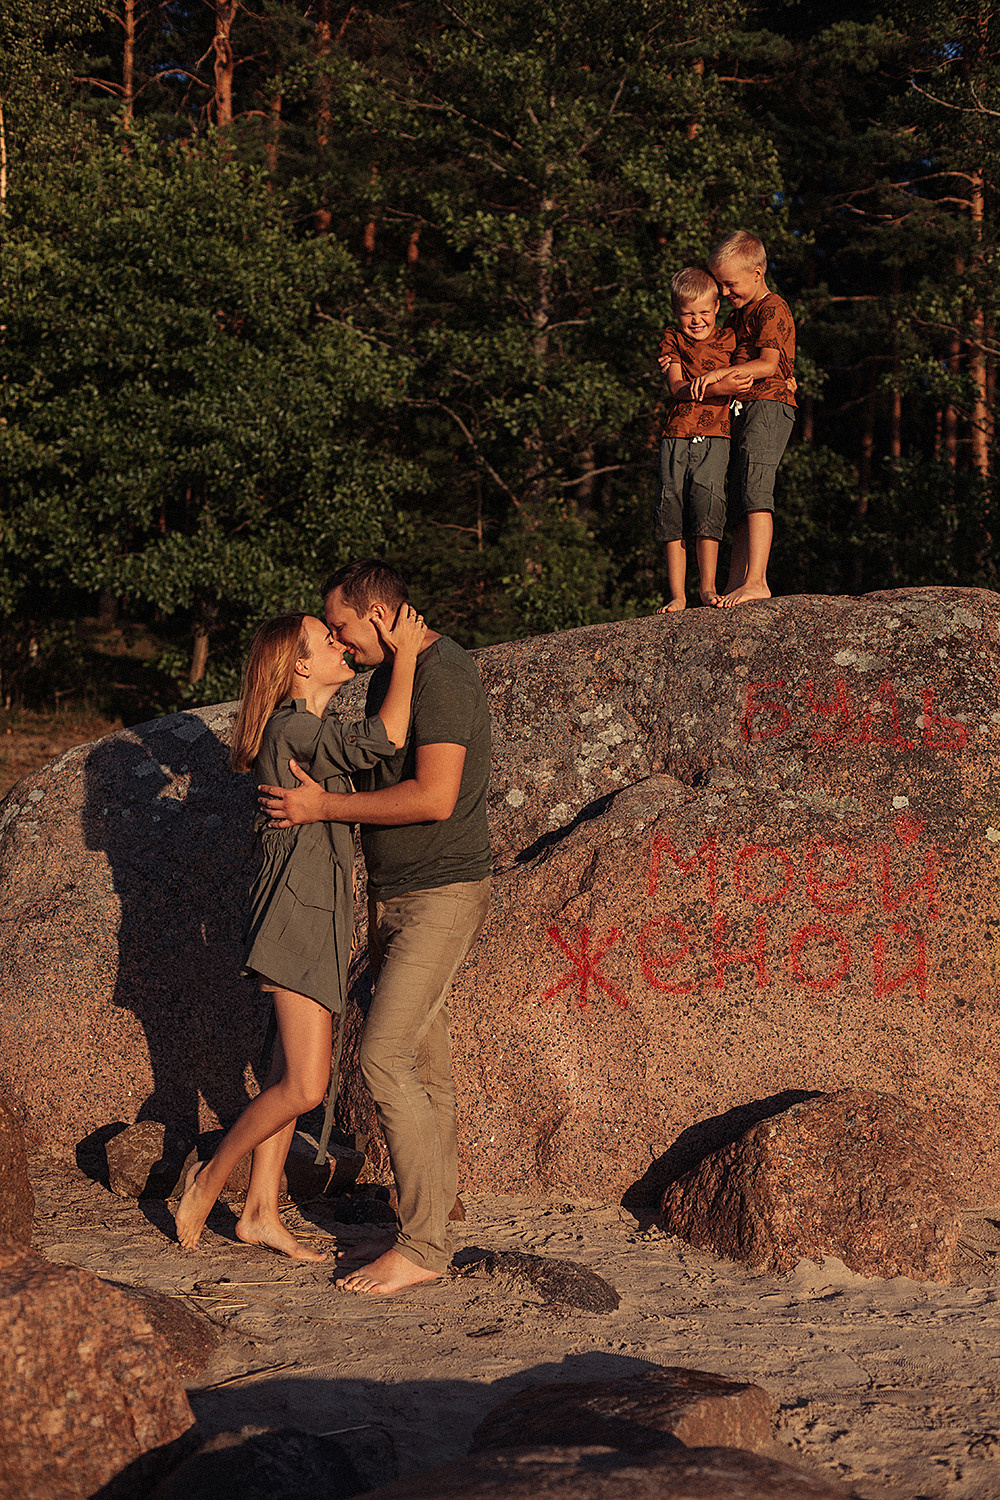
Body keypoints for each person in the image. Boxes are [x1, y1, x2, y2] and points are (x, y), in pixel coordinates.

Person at [258, 559, 492, 1296]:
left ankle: (423, 1248)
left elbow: (435, 796)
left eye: (342, 625)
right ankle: (439, 1207)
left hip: (442, 891)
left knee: (381, 1058)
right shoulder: (394, 678)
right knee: (425, 1067)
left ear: (381, 617)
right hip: (397, 895)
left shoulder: (443, 671)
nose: (337, 637)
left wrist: (321, 808)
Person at [173, 603, 427, 1256]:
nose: (340, 641)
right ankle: (209, 1179)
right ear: (299, 666)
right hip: (294, 914)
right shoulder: (290, 727)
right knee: (307, 1086)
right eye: (325, 638)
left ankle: (260, 1210)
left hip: (315, 912)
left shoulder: (307, 731)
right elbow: (384, 739)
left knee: (288, 1070)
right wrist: (403, 654)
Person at [696, 229, 797, 608]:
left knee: (756, 486)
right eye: (720, 285)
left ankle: (758, 580)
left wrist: (717, 378)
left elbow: (770, 363)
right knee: (739, 493)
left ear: (757, 273)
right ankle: (737, 579)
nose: (724, 293)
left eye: (729, 284)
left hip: (768, 406)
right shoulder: (740, 315)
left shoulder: (773, 307)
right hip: (742, 408)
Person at [655, 266, 753, 610]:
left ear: (715, 310)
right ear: (676, 313)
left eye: (703, 312)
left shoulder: (729, 338)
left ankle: (707, 587)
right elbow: (677, 386)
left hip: (716, 434)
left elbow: (746, 374)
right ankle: (678, 594)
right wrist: (716, 386)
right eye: (687, 314)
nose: (696, 321)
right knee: (672, 507)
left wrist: (787, 380)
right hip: (677, 434)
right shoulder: (672, 340)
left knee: (708, 504)